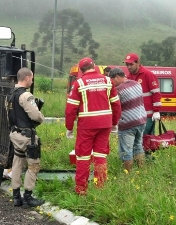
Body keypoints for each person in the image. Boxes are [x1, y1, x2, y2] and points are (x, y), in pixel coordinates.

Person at [65, 57, 121, 195]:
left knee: (83, 157)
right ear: (94, 66)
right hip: (105, 124)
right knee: (100, 156)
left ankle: (81, 190)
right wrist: (114, 123)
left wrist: (69, 127)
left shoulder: (79, 83)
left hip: (87, 125)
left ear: (81, 70)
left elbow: (71, 108)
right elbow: (116, 104)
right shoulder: (108, 81)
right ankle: (100, 187)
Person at [7, 67, 45, 208]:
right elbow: (35, 116)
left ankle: (16, 196)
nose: (32, 80)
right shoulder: (25, 95)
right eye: (32, 78)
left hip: (15, 134)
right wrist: (41, 117)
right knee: (34, 164)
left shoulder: (10, 94)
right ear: (27, 78)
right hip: (26, 136)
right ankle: (28, 197)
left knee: (17, 162)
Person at [109, 68, 147, 171]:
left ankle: (128, 175)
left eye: (112, 79)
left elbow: (115, 107)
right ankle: (141, 170)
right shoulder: (137, 84)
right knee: (138, 146)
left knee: (127, 151)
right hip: (141, 121)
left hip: (128, 123)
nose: (112, 83)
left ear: (117, 76)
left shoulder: (119, 90)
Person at [124, 53, 161, 135]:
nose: (129, 67)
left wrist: (156, 111)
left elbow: (156, 93)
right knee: (137, 140)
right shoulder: (128, 77)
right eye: (127, 65)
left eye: (131, 64)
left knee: (146, 139)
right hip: (135, 115)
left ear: (138, 62)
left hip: (147, 115)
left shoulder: (148, 74)